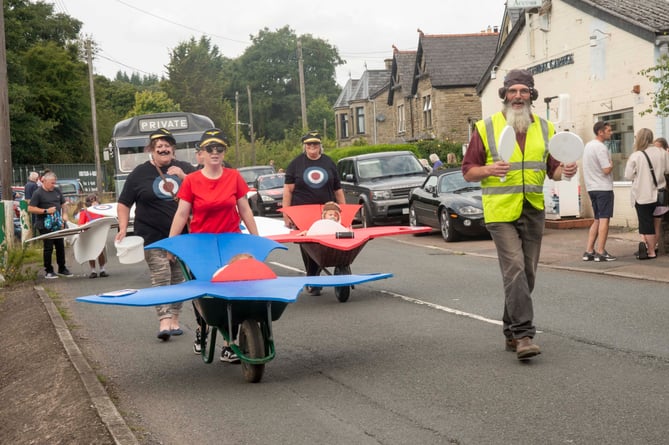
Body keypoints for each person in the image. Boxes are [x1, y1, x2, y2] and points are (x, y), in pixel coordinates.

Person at [462, 69, 577, 360]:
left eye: (523, 91)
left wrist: (566, 171)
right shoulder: (487, 127)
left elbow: (553, 169)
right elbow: (468, 172)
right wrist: (489, 169)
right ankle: (525, 335)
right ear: (503, 94)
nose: (518, 96)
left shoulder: (546, 128)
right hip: (500, 212)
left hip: (533, 208)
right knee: (514, 269)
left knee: (527, 274)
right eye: (512, 91)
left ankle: (510, 331)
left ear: (531, 95)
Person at [169, 128, 259, 362]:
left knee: (235, 292)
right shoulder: (191, 181)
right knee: (205, 294)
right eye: (210, 149)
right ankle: (203, 328)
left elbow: (245, 209)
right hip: (202, 244)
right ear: (202, 154)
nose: (215, 153)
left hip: (231, 242)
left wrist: (256, 240)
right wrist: (172, 244)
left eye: (220, 149)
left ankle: (230, 344)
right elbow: (181, 215)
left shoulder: (234, 177)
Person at [115, 128, 196, 341]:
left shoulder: (185, 169)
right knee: (161, 276)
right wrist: (123, 227)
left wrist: (184, 177)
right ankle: (164, 321)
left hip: (182, 237)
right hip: (152, 235)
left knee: (178, 279)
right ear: (151, 150)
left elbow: (203, 191)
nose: (163, 148)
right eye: (158, 145)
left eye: (167, 144)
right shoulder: (139, 174)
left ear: (173, 149)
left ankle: (175, 318)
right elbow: (124, 203)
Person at [283, 130, 345, 296]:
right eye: (309, 144)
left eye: (315, 144)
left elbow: (338, 189)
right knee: (309, 245)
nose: (312, 147)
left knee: (325, 244)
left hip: (327, 212)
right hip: (302, 212)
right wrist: (286, 213)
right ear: (305, 146)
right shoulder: (296, 164)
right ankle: (313, 278)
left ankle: (318, 276)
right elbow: (288, 190)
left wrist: (344, 211)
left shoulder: (329, 163)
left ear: (320, 146)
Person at [624, 128, 669, 260]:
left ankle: (650, 252)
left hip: (643, 195)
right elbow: (667, 169)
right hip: (661, 195)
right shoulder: (662, 153)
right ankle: (652, 248)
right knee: (656, 224)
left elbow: (628, 175)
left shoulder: (636, 155)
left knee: (646, 224)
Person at [27, 172, 73, 279]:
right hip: (44, 224)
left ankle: (62, 268)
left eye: (54, 183)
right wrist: (45, 210)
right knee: (48, 247)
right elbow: (30, 208)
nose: (53, 185)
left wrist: (65, 214)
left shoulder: (57, 190)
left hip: (57, 222)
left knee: (60, 245)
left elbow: (63, 204)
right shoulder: (38, 193)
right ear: (44, 181)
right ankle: (48, 270)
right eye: (51, 183)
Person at [582, 121, 616, 262]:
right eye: (608, 130)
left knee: (597, 219)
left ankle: (589, 250)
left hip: (592, 187)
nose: (611, 132)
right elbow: (606, 169)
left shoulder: (588, 146)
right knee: (604, 220)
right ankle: (601, 251)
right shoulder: (601, 148)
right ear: (600, 132)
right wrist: (612, 162)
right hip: (603, 187)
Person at [77, 194, 108, 278]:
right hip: (89, 234)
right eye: (92, 201)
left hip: (99, 233)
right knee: (91, 252)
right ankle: (93, 270)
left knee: (101, 251)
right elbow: (80, 225)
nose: (94, 203)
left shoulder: (101, 211)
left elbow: (104, 221)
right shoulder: (84, 212)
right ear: (88, 203)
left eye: (95, 201)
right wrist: (86, 225)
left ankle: (102, 269)